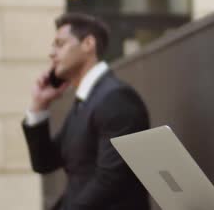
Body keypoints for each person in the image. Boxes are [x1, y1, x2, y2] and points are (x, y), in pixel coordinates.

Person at [21, 13, 150, 210]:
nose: (52, 53)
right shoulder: (85, 101)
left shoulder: (115, 97)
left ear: (88, 44)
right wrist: (39, 105)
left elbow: (110, 181)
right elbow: (44, 162)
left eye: (60, 44)